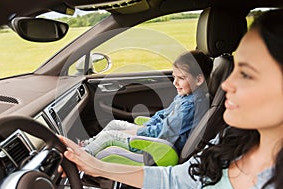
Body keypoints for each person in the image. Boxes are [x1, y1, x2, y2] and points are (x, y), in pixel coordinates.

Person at [59, 9, 283, 189]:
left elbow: (168, 134)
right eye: (235, 70)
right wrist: (94, 165)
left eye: (247, 74)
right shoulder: (232, 139)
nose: (227, 85)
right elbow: (176, 179)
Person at [80, 50, 213, 156]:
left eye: (181, 78)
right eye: (174, 77)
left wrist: (135, 133)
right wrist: (142, 128)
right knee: (114, 124)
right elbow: (163, 115)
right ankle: (87, 144)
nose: (175, 83)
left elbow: (165, 134)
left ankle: (82, 156)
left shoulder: (190, 106)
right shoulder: (186, 97)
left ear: (199, 80)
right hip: (157, 138)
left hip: (159, 148)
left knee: (108, 136)